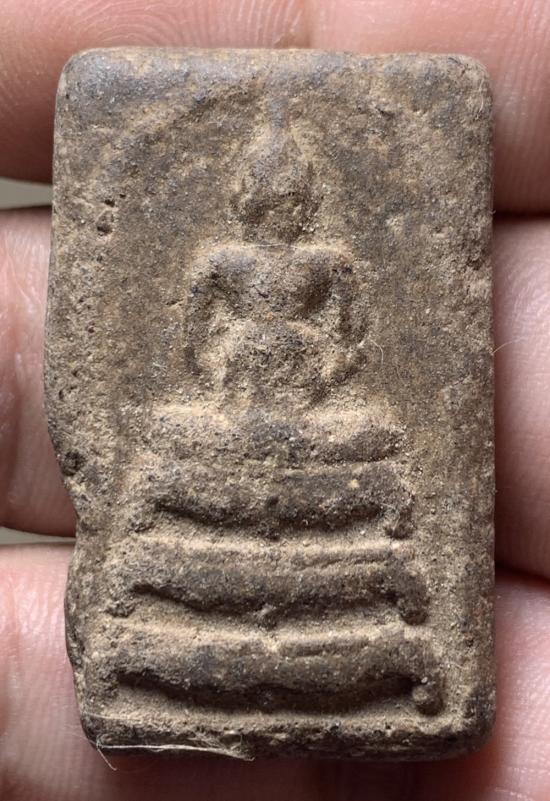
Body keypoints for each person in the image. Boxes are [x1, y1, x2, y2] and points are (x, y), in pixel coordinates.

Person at [1, 1, 549, 799]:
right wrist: (225, 370)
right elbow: (195, 335)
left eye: (289, 194)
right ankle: (135, 630)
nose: (278, 207)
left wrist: (323, 369)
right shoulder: (221, 262)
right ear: (247, 198)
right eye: (266, 194)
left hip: (311, 396)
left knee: (374, 443)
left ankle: (408, 646)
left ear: (304, 198)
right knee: (170, 441)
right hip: (233, 391)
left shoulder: (329, 263)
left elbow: (352, 336)